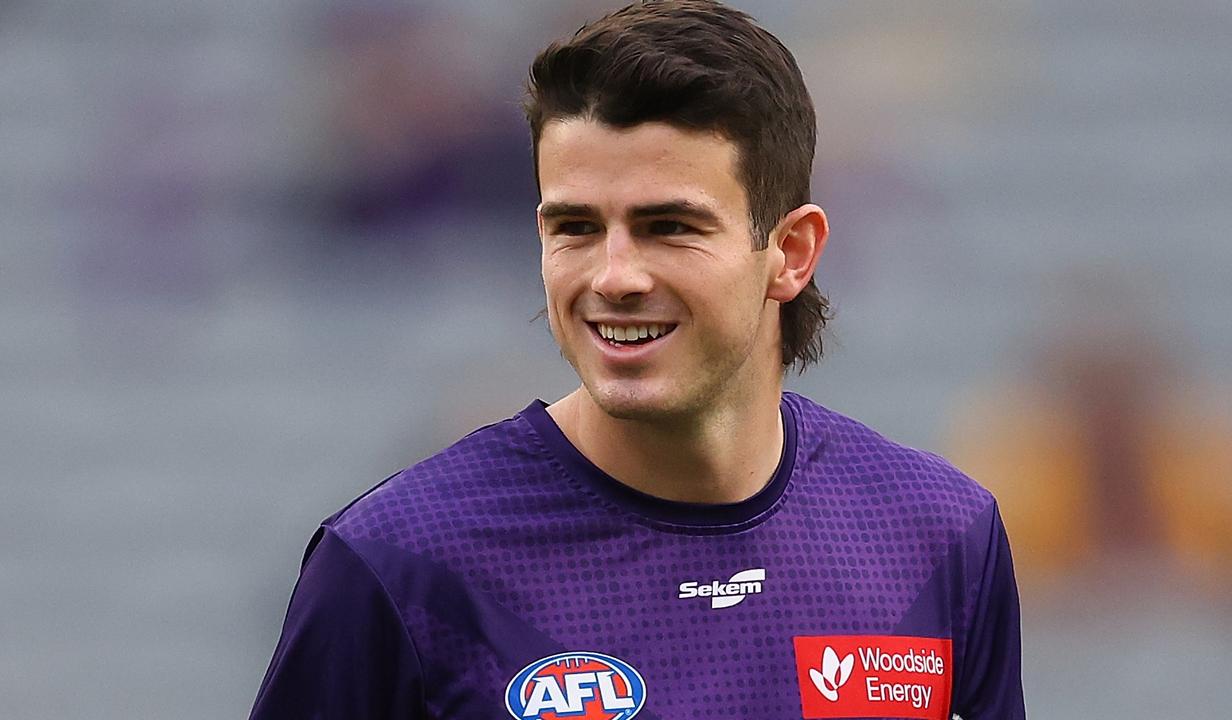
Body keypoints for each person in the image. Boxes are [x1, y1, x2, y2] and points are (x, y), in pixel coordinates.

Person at [249, 1, 1024, 718]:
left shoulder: (941, 537)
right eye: (576, 228)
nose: (613, 277)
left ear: (791, 253)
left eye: (668, 226)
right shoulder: (399, 562)